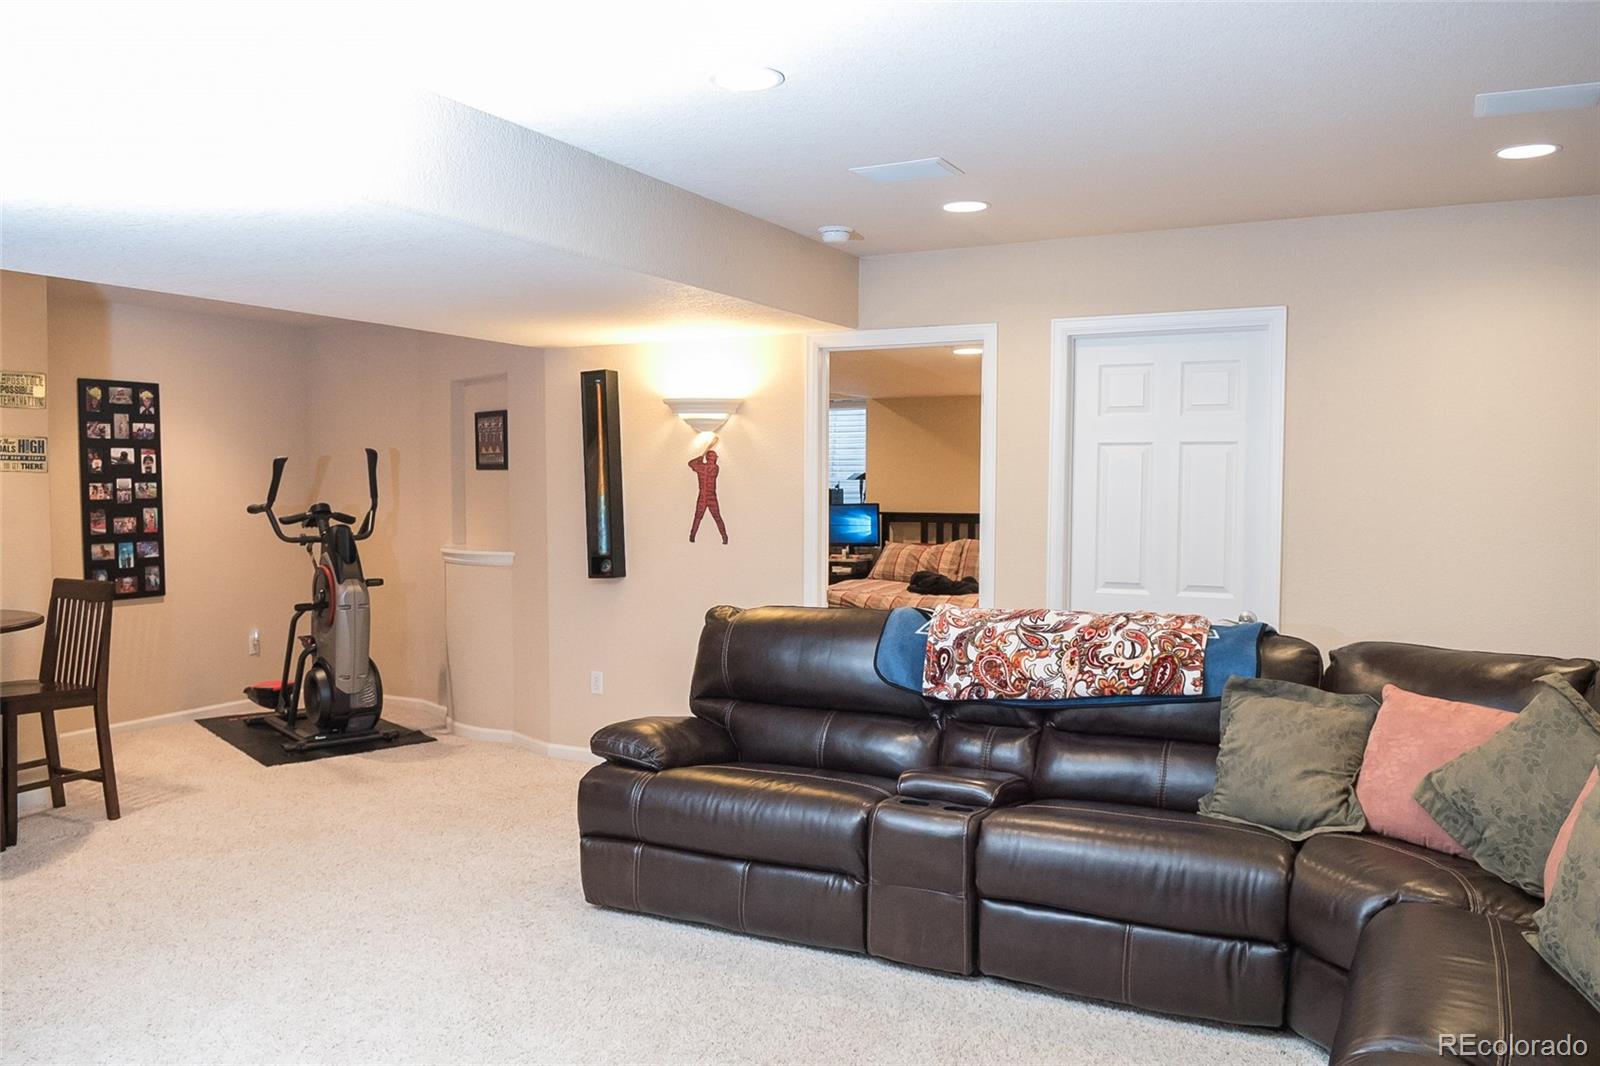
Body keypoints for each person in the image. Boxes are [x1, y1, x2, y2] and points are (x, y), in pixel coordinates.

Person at [687, 439, 728, 544]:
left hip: (702, 496)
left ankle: (692, 536)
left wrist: (702, 455)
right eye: (715, 457)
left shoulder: (701, 467)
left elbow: (691, 463)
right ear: (713, 458)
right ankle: (724, 538)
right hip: (712, 497)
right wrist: (704, 455)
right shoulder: (715, 468)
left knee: (698, 517)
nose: (716, 459)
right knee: (717, 517)